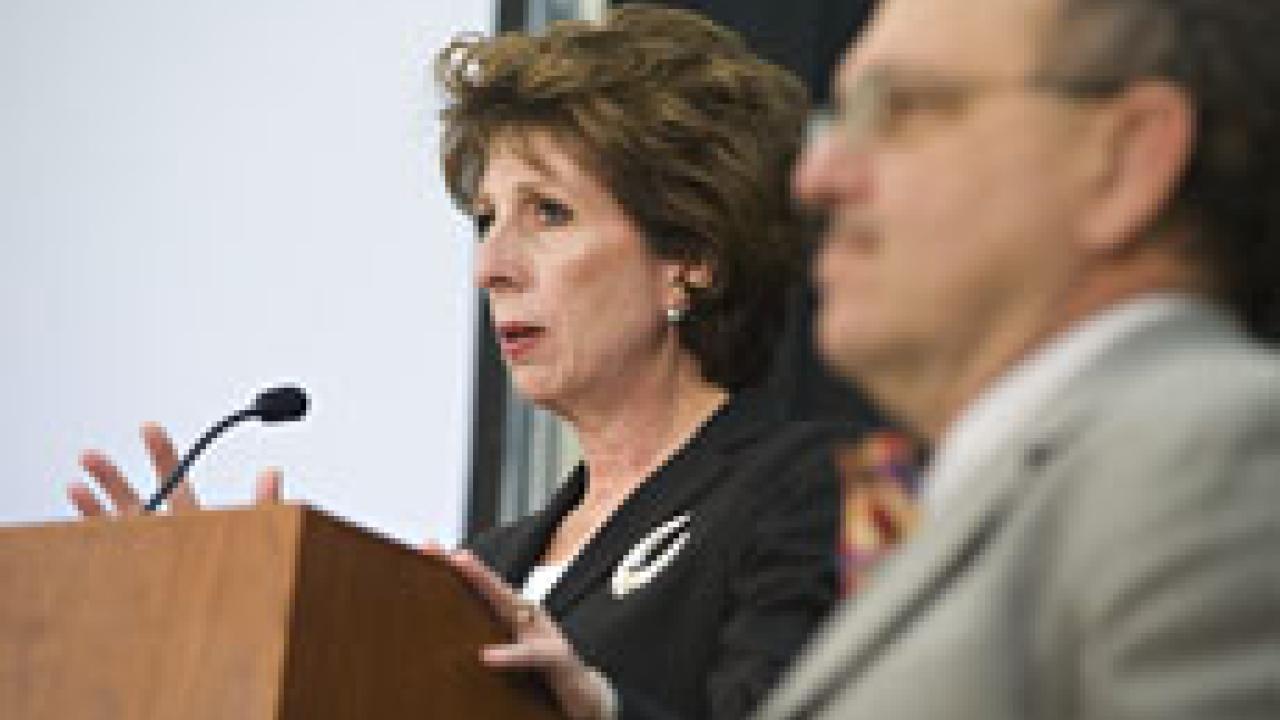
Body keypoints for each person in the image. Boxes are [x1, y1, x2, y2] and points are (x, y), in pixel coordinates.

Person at [70, 7, 842, 719]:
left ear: (690, 258)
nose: (490, 267)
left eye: (548, 213)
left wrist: (601, 708)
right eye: (485, 221)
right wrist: (231, 650)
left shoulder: (810, 487)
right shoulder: (484, 566)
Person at [752, 0, 1280, 718]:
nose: (816, 177)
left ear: (1125, 157)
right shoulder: (1050, 479)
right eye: (839, 117)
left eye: (903, 108)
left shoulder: (1218, 451)